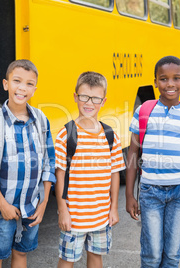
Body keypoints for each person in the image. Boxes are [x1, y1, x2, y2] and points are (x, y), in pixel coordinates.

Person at [125, 55, 180, 267]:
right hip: (151, 191)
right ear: (155, 82)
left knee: (171, 254)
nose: (170, 84)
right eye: (163, 79)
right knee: (151, 254)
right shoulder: (143, 111)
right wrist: (129, 194)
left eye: (176, 78)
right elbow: (133, 153)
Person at [0, 59, 56, 268]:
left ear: (35, 89)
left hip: (32, 205)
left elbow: (49, 164)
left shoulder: (41, 120)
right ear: (6, 84)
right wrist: (2, 205)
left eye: (29, 84)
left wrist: (44, 202)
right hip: (3, 206)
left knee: (21, 254)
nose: (22, 88)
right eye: (17, 81)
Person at [55, 71, 125, 267]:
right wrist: (63, 210)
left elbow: (115, 174)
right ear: (75, 97)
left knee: (96, 258)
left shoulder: (110, 136)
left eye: (95, 98)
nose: (89, 103)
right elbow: (59, 175)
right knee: (67, 259)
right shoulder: (66, 135)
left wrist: (113, 209)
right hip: (74, 215)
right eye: (84, 97)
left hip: (101, 214)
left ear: (103, 101)